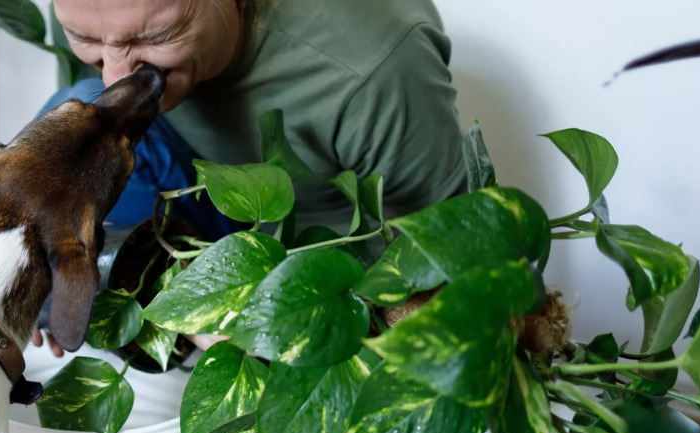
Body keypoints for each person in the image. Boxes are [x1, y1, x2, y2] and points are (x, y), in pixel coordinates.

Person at [32, 0, 467, 356]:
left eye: (150, 38)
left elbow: (441, 258)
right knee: (81, 110)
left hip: (331, 263)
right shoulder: (98, 9)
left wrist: (256, 316)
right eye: (87, 40)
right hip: (205, 204)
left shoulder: (378, 64)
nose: (115, 75)